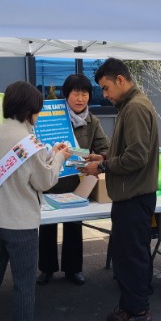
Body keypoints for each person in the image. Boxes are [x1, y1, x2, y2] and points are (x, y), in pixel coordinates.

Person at [0, 81, 70, 321]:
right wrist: (59, 159)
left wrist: (50, 154)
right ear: (30, 110)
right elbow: (44, 181)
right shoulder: (31, 142)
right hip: (20, 224)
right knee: (24, 282)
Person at [83, 58, 159, 321]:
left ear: (120, 80)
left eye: (105, 88)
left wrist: (102, 166)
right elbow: (130, 151)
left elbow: (137, 157)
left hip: (134, 197)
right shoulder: (130, 106)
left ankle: (138, 318)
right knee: (127, 257)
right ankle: (130, 307)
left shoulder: (135, 107)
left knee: (132, 258)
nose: (104, 95)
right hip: (131, 196)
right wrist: (103, 157)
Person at [37, 74, 110, 287]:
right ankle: (47, 268)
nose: (80, 98)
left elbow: (105, 149)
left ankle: (73, 269)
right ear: (66, 95)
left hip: (76, 182)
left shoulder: (92, 121)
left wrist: (93, 158)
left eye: (84, 94)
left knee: (74, 226)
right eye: (75, 93)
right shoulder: (50, 117)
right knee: (47, 227)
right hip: (50, 179)